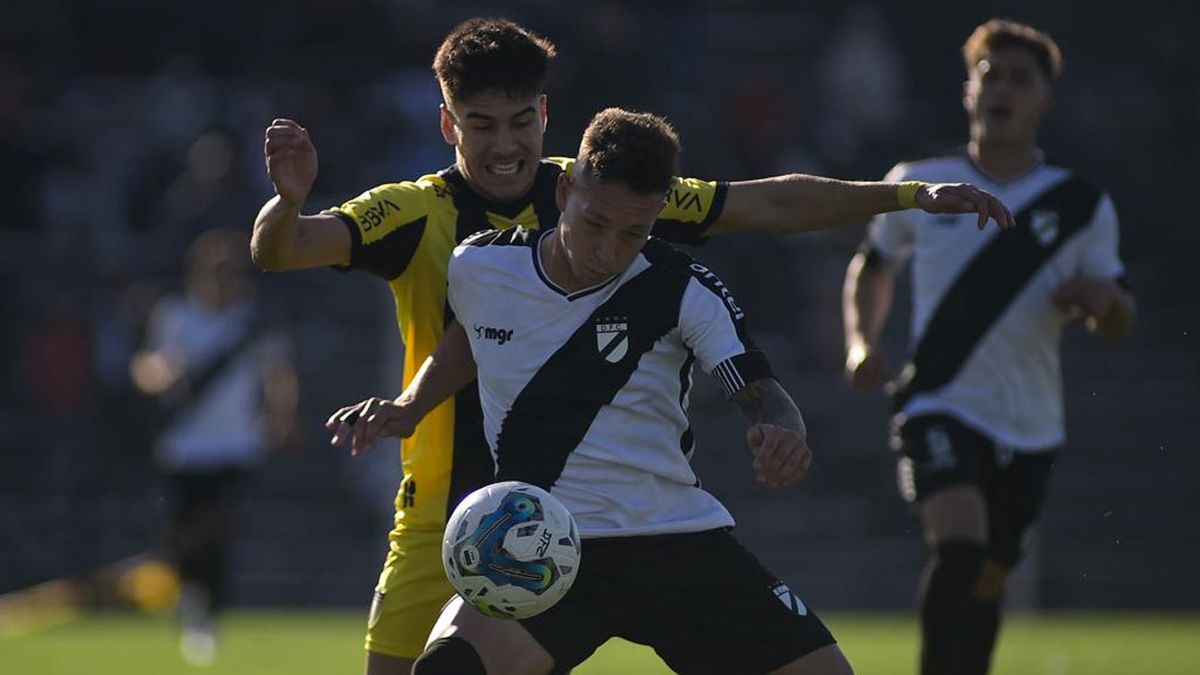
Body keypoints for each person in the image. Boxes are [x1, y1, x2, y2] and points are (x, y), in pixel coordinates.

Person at [252, 17, 1010, 674]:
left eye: (521, 121)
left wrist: (904, 195)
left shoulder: (617, 203)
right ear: (450, 125)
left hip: (641, 529)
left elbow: (770, 205)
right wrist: (290, 206)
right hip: (473, 517)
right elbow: (305, 262)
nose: (506, 143)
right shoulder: (444, 233)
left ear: (546, 119)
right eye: (481, 124)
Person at [354, 107, 855, 675]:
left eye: (633, 233)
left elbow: (759, 391)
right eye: (595, 224)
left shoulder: (683, 288)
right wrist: (411, 405)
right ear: (566, 191)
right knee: (448, 671)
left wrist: (783, 429)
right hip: (544, 544)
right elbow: (469, 336)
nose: (608, 250)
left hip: (674, 540)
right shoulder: (481, 266)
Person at [841, 19, 1135, 675]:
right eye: (989, 74)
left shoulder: (1080, 204)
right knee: (961, 548)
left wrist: (1104, 301)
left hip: (1032, 425)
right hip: (937, 402)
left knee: (989, 577)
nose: (1002, 88)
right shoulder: (922, 182)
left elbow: (1120, 317)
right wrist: (862, 343)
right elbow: (873, 265)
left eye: (1019, 78)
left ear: (1044, 100)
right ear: (968, 92)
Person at [130, 227, 296, 665]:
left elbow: (278, 375)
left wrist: (281, 417)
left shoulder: (250, 323)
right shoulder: (177, 315)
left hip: (234, 446)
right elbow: (151, 363)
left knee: (217, 528)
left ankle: (207, 610)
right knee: (185, 533)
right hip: (183, 446)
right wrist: (162, 376)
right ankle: (192, 595)